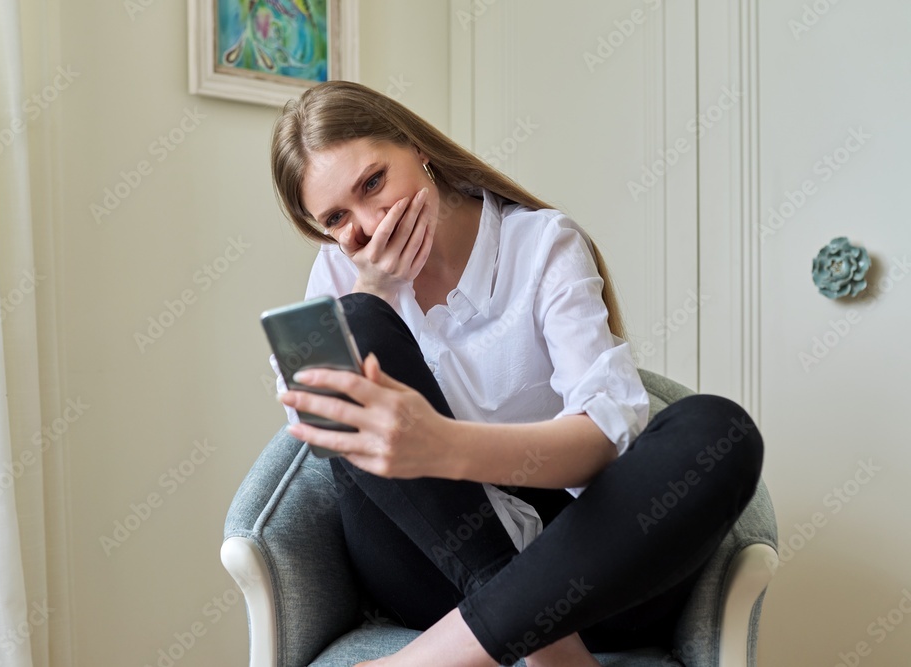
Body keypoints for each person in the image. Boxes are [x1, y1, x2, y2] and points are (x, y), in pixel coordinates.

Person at [268, 80, 763, 667]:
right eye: (336, 218)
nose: (369, 226)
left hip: (581, 571)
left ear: (416, 148)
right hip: (434, 574)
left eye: (374, 183)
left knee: (719, 430)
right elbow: (327, 432)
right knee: (355, 323)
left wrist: (443, 445)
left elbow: (606, 437)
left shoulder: (541, 241)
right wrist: (372, 291)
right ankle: (549, 648)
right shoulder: (339, 273)